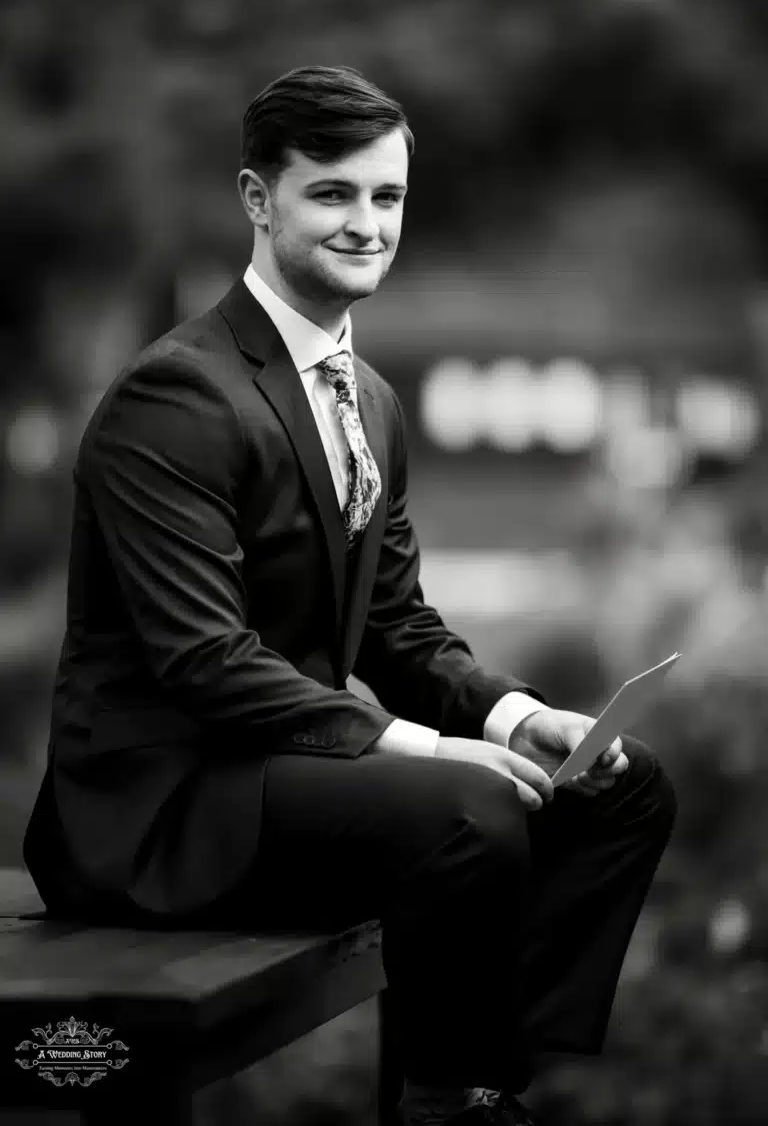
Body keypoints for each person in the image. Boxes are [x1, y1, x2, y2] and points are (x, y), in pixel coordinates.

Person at [22, 65, 676, 1125]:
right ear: (257, 198)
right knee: (467, 807)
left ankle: (487, 1082)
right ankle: (444, 1099)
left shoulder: (367, 398)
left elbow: (396, 625)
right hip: (164, 811)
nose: (367, 223)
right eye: (333, 193)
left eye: (388, 197)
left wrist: (517, 717)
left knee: (621, 785)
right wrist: (430, 747)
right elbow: (205, 662)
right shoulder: (179, 395)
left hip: (290, 780)